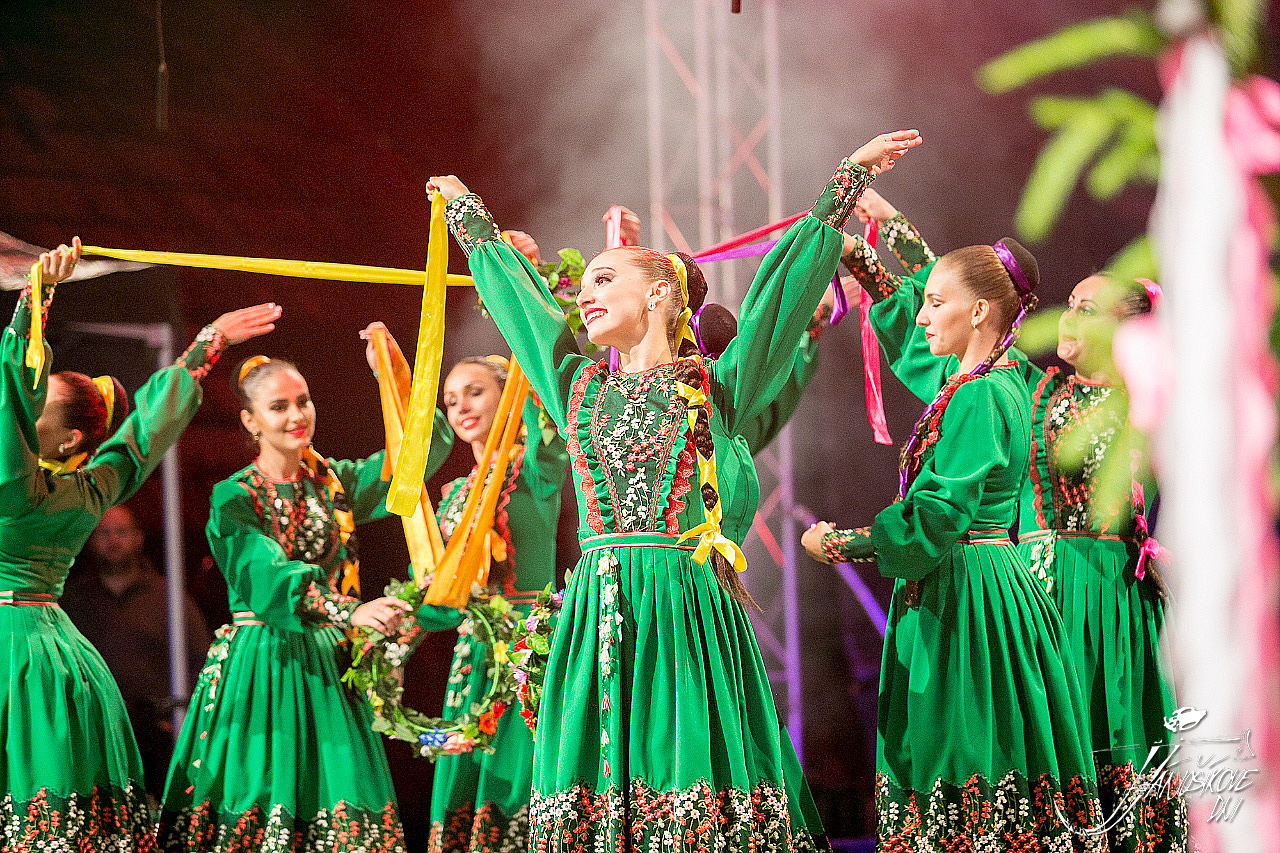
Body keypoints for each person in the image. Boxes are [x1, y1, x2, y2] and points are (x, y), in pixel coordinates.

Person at [427, 127, 921, 853]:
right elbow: (524, 312)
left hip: (684, 608)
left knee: (688, 780)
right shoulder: (575, 386)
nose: (585, 293)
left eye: (604, 279)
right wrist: (469, 217)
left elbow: (775, 301)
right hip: (598, 612)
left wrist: (843, 182)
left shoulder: (715, 388)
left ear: (659, 292)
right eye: (586, 284)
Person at [840, 188, 1186, 851]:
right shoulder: (1029, 388)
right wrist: (888, 239)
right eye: (1069, 303)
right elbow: (970, 327)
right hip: (1032, 583)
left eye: (1088, 309)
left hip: (1108, 591)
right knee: (1044, 739)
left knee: (1107, 730)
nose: (1068, 317)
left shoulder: (1148, 403)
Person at [802, 222, 1107, 850]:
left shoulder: (979, 395)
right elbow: (921, 332)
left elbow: (939, 514)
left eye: (935, 303)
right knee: (991, 746)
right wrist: (865, 256)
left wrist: (840, 544)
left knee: (962, 747)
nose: (922, 316)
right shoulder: (998, 381)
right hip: (988, 580)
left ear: (980, 311)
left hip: (966, 591)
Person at [0, 237, 279, 850]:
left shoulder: (15, 485)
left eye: (39, 402)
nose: (24, 407)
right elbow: (145, 434)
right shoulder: (91, 488)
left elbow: (9, 391)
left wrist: (36, 301)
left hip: (15, 656)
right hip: (53, 653)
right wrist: (209, 344)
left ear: (69, 439)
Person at [157, 333, 454, 853]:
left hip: (327, 664)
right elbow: (267, 578)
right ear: (250, 421)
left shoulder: (332, 483)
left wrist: (394, 377)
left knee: (340, 806)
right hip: (263, 663)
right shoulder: (234, 498)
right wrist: (348, 610)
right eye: (279, 407)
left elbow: (418, 459)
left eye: (303, 401)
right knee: (262, 799)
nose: (297, 415)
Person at [411, 348, 570, 853]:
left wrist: (530, 361)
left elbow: (552, 431)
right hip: (474, 654)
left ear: (509, 397)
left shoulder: (535, 470)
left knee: (524, 777)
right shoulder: (455, 493)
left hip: (531, 648)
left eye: (475, 392)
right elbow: (441, 593)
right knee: (470, 775)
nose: (460, 407)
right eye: (451, 400)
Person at [61, 503, 212, 804]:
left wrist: (186, 716)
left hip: (157, 733)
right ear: (90, 539)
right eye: (103, 533)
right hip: (93, 732)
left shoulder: (168, 597)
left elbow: (200, 661)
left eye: (121, 532)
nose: (113, 541)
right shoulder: (72, 600)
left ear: (138, 537)